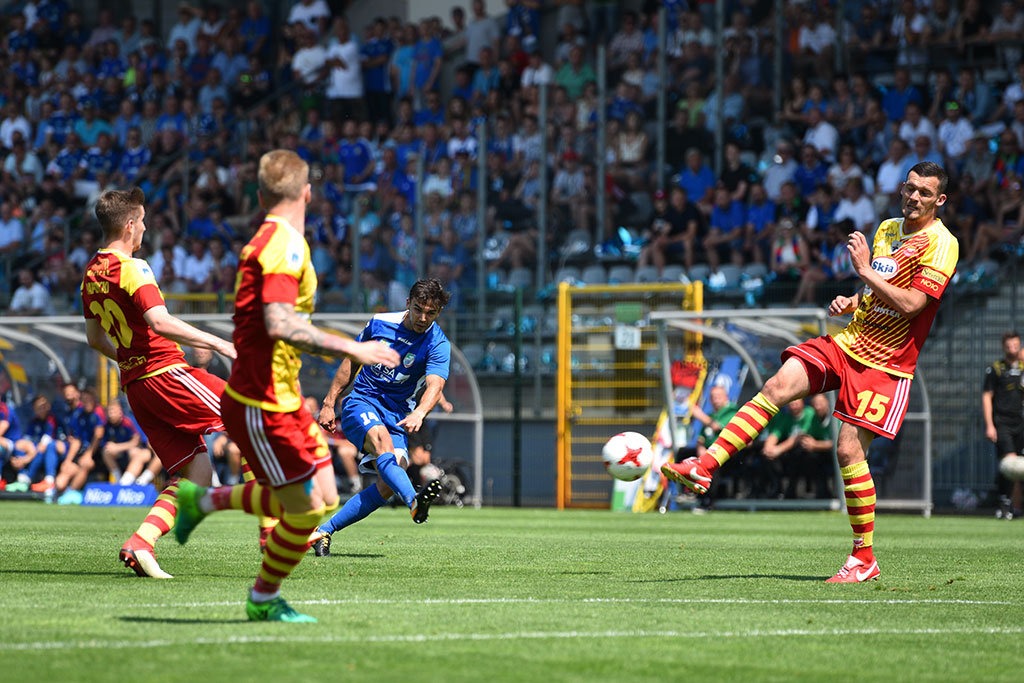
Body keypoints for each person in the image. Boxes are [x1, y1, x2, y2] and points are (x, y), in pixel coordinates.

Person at [663, 163, 959, 582]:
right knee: (777, 384)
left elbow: (913, 304)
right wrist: (855, 300)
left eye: (924, 193)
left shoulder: (942, 244)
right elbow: (880, 287)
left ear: (939, 200)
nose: (913, 198)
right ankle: (705, 466)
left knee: (848, 451)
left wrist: (864, 272)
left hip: (887, 362)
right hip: (850, 342)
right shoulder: (888, 228)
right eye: (909, 189)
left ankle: (864, 558)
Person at [170, 149, 400, 623]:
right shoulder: (284, 245)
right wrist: (351, 349)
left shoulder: (270, 241)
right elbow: (278, 321)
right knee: (308, 508)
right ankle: (263, 597)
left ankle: (205, 501)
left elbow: (281, 323)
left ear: (259, 195)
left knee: (322, 498)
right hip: (262, 399)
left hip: (278, 395)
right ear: (308, 192)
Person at [83, 187, 238, 580]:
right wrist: (219, 342)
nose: (146, 229)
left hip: (137, 388)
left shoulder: (91, 274)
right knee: (250, 410)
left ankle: (141, 543)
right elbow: (161, 322)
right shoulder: (133, 267)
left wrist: (128, 358)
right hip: (165, 374)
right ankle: (276, 526)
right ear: (131, 224)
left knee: (197, 475)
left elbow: (95, 339)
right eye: (144, 222)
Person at [312, 278, 452, 556]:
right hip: (361, 401)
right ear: (407, 304)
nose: (423, 318)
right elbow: (352, 360)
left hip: (397, 414)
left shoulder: (438, 343)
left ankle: (323, 531)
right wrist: (329, 402)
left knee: (388, 482)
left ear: (439, 313)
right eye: (418, 309)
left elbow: (436, 384)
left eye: (431, 313)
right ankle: (414, 501)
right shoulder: (380, 323)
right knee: (383, 446)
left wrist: (420, 412)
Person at [982, 331, 1023, 519]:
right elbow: (986, 396)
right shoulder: (996, 369)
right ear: (1003, 347)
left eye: (1016, 346)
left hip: (1021, 422)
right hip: (1003, 423)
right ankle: (1004, 503)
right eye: (1009, 346)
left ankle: (1015, 506)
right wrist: (990, 425)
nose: (1012, 350)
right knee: (1010, 465)